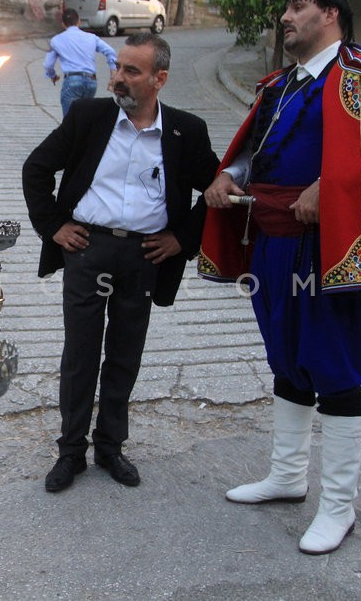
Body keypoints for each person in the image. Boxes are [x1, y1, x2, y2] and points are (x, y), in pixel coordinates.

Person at [199, 0, 361, 555]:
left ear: (331, 14)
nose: (285, 17)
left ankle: (339, 506)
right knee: (286, 359)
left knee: (334, 368)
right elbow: (256, 148)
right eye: (286, 6)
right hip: (274, 242)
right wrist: (229, 174)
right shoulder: (282, 84)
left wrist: (330, 187)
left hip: (332, 247)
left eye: (298, 6)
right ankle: (287, 477)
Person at [23, 33, 220, 493]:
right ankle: (70, 451)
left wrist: (182, 239)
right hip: (87, 251)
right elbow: (36, 167)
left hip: (145, 256)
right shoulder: (90, 116)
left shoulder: (185, 131)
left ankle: (110, 446)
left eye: (132, 71)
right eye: (118, 68)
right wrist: (53, 225)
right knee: (80, 355)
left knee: (125, 355)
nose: (118, 79)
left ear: (159, 79)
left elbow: (216, 187)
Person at [44, 8, 118, 116]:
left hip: (72, 81)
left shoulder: (56, 40)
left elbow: (47, 64)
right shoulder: (92, 37)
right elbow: (110, 52)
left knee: (70, 122)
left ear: (63, 24)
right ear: (79, 21)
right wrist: (113, 76)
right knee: (85, 119)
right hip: (91, 82)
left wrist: (53, 75)